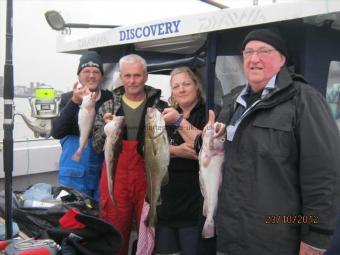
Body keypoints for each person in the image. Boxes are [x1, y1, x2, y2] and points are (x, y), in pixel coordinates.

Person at [198, 28, 340, 254]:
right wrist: (207, 138)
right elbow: (217, 154)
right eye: (248, 52)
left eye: (264, 51)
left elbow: (323, 174)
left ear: (282, 59)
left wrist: (315, 239)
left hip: (276, 239)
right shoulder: (233, 100)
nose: (254, 59)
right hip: (230, 236)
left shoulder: (304, 100)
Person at [92, 54, 167, 255]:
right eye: (127, 76)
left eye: (137, 75)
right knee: (114, 232)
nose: (132, 81)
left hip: (147, 175)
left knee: (148, 230)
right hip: (116, 178)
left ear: (146, 76)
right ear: (121, 77)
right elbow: (97, 146)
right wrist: (107, 129)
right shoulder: (108, 106)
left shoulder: (160, 106)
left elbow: (168, 147)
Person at [154, 66, 216, 255]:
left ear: (196, 86)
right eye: (176, 86)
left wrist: (179, 122)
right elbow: (148, 149)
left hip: (195, 204)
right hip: (166, 204)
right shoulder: (163, 115)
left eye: (186, 84)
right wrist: (177, 150)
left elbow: (207, 147)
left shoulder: (208, 113)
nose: (181, 89)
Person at [52, 51, 112, 201]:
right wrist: (74, 102)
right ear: (78, 76)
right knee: (72, 216)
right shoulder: (68, 98)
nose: (91, 75)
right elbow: (57, 131)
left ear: (101, 76)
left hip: (101, 169)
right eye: (86, 71)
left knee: (99, 215)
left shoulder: (109, 99)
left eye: (96, 71)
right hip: (73, 172)